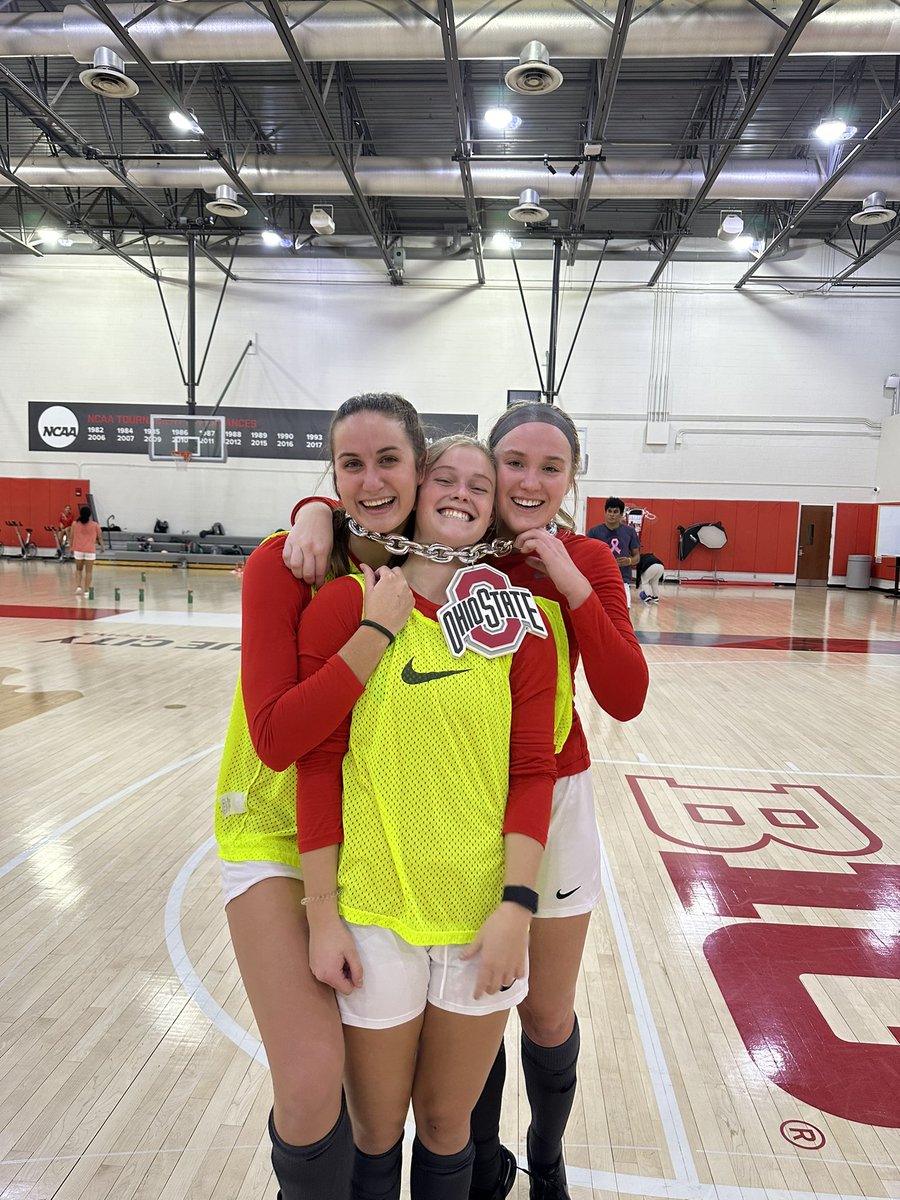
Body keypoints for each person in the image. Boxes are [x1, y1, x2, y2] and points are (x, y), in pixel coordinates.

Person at [282, 403, 649, 1200]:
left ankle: (545, 1159)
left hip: (548, 796)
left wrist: (569, 575)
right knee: (430, 1081)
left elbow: (624, 697)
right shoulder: (442, 546)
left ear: (572, 480)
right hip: (433, 824)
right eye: (511, 463)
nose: (526, 481)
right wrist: (310, 506)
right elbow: (366, 500)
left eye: (550, 469)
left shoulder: (577, 558)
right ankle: (480, 1167)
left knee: (543, 1015)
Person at [215, 393, 427, 1200]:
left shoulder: (428, 567)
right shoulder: (284, 562)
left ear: (419, 468)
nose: (370, 480)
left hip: (375, 837)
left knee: (379, 1102)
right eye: (349, 464)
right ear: (330, 474)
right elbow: (274, 737)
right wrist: (372, 632)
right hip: (270, 833)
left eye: (387, 460)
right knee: (309, 1083)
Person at [587, 497, 640, 586]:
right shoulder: (594, 532)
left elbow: (637, 557)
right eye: (609, 511)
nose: (612, 514)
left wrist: (629, 561)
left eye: (615, 512)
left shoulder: (630, 532)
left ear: (621, 514)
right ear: (605, 513)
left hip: (622, 579)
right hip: (599, 579)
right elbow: (587, 555)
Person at [70, 505, 103, 593]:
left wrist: (71, 547)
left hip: (78, 549)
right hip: (90, 550)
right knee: (88, 572)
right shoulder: (95, 525)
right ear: (89, 515)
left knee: (78, 569)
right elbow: (100, 537)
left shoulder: (75, 524)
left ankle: (78, 587)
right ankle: (86, 590)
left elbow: (71, 537)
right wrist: (102, 546)